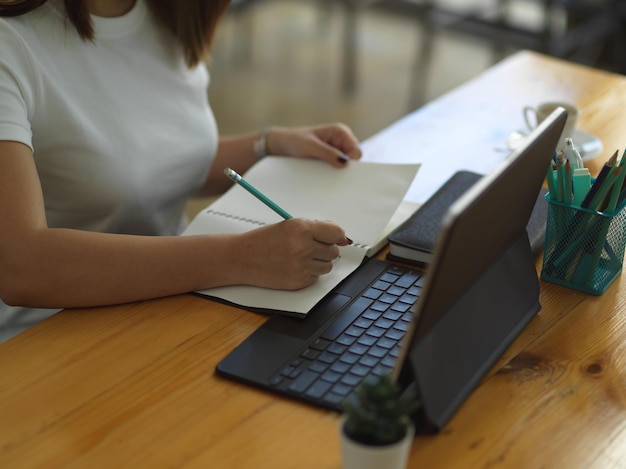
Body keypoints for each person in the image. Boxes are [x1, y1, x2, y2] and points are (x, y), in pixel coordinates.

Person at [0, 0, 362, 342]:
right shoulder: (11, 44)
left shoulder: (165, 13)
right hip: (44, 340)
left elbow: (149, 168)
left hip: (167, 304)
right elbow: (20, 266)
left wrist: (268, 144)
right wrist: (242, 257)